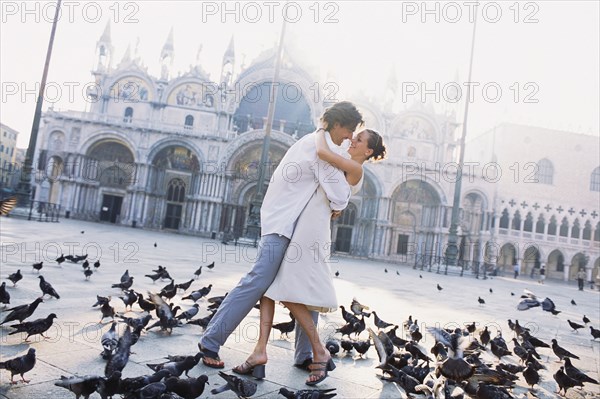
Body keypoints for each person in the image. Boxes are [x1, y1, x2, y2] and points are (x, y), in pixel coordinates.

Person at [197, 101, 364, 369]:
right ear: (336, 123)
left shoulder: (317, 142)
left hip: (290, 224)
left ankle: (304, 355)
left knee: (304, 284)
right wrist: (340, 205)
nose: (348, 137)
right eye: (348, 129)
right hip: (283, 224)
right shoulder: (318, 148)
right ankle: (211, 340)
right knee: (258, 280)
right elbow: (338, 195)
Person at [233, 128, 386, 385]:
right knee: (270, 287)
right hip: (300, 223)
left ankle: (318, 349)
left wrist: (321, 130)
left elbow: (321, 152)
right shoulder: (344, 162)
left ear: (368, 151)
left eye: (358, 140)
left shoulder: (354, 167)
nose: (352, 140)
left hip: (311, 231)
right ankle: (260, 351)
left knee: (284, 290)